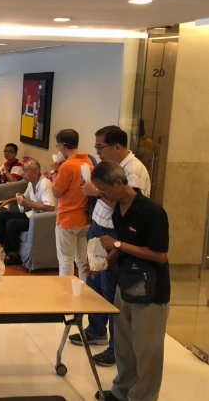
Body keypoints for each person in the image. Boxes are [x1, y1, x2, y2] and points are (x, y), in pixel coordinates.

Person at [69, 126, 151, 368]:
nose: (98, 152)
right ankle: (96, 330)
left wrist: (95, 192)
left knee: (112, 292)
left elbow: (128, 206)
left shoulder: (133, 169)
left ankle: (117, 348)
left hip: (114, 234)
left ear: (117, 146)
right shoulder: (112, 166)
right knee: (94, 284)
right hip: (99, 228)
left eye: (100, 147)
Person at [90, 161, 169, 401]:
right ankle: (121, 391)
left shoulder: (151, 211)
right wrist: (105, 262)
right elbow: (124, 246)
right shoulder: (118, 210)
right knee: (123, 344)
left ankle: (143, 396)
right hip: (125, 282)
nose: (102, 195)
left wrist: (117, 244)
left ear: (118, 183)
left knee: (147, 349)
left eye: (104, 190)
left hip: (151, 289)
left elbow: (160, 255)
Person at [0, 158, 55, 265]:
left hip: (41, 220)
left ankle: (13, 254)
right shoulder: (31, 183)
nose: (23, 173)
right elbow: (25, 197)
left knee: (12, 223)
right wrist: (8, 201)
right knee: (3, 215)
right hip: (33, 215)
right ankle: (3, 247)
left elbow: (50, 207)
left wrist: (28, 204)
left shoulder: (45, 184)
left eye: (25, 170)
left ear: (35, 172)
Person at [49, 128, 93, 279]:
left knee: (65, 260)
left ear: (62, 146)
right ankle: (84, 288)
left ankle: (66, 290)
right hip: (85, 218)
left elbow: (56, 192)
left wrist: (54, 171)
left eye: (58, 146)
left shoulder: (67, 166)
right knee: (82, 261)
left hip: (67, 219)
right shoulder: (88, 162)